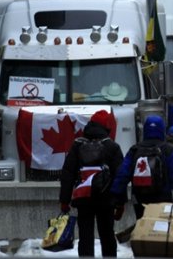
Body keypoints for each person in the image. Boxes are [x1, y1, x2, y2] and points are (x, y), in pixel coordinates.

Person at [59, 110, 123, 258]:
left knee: (85, 237)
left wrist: (64, 200)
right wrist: (120, 203)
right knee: (107, 235)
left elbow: (67, 173)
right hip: (106, 200)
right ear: (106, 126)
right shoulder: (112, 147)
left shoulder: (77, 145)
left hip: (83, 198)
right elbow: (119, 177)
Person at [110, 115, 173, 219]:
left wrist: (117, 200)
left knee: (142, 224)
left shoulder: (135, 150)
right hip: (162, 198)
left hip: (139, 199)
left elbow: (122, 175)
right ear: (162, 130)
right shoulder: (168, 150)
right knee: (160, 227)